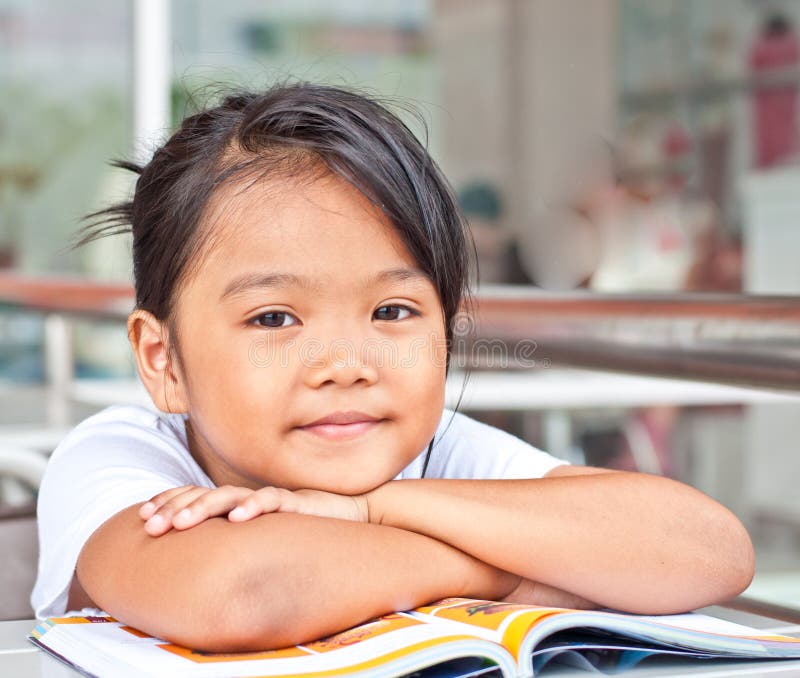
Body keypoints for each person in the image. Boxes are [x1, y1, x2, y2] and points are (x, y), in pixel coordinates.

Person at [31, 83, 754, 653]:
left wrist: (377, 509)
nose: (347, 366)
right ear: (164, 361)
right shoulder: (119, 456)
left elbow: (707, 548)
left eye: (393, 312)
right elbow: (244, 592)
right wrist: (504, 568)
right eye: (274, 319)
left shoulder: (436, 449)